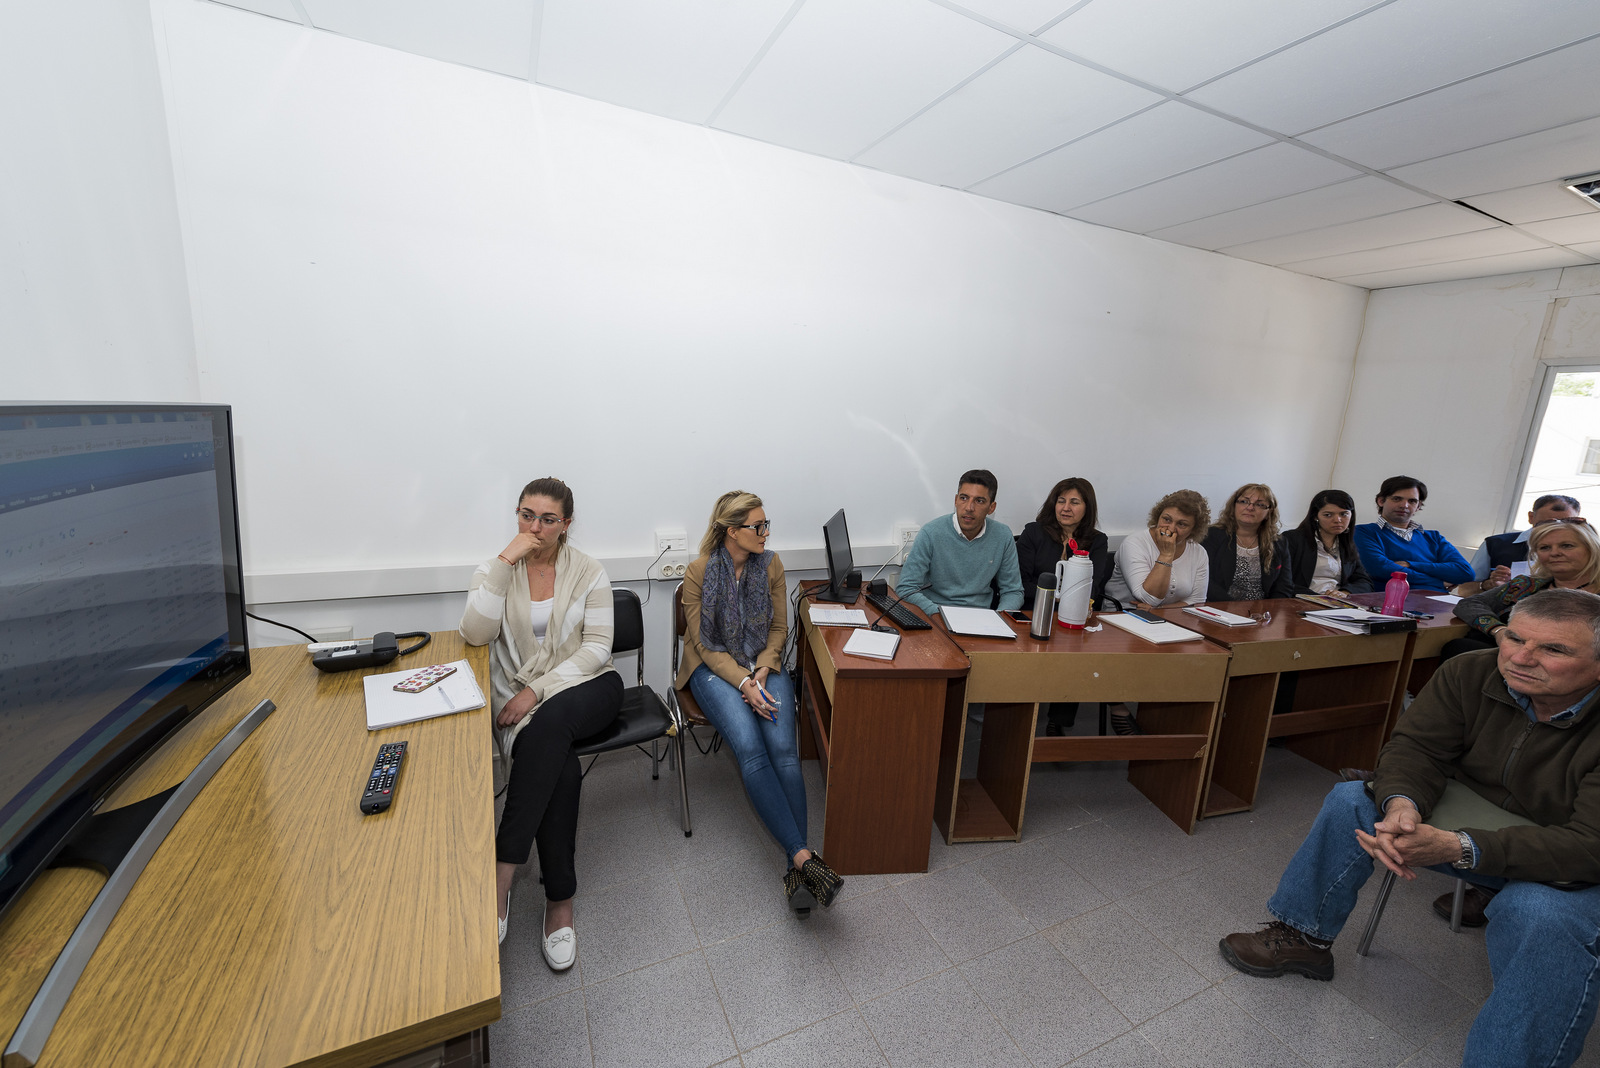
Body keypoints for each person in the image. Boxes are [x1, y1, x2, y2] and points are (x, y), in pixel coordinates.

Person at [1219, 589, 1600, 1068]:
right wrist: (1402, 802)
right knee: (1351, 802)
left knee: (1541, 913)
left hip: (1570, 854)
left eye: (1554, 649)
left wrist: (1457, 846)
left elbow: (1591, 845)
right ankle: (1305, 937)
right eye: (1515, 638)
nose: (1521, 658)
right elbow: (1415, 749)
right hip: (1482, 812)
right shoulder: (1471, 670)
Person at [460, 477, 622, 971]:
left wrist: (537, 689)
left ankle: (500, 877)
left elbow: (598, 648)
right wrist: (505, 562)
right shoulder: (495, 569)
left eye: (548, 519)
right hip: (523, 702)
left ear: (566, 524)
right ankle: (559, 903)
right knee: (562, 768)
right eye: (526, 515)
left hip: (590, 686)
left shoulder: (589, 571)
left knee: (549, 722)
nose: (535, 526)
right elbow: (473, 633)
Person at [675, 491, 842, 912]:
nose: (766, 533)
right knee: (751, 749)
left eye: (767, 525)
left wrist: (764, 668)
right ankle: (804, 858)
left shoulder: (772, 564)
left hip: (763, 665)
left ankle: (797, 862)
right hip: (713, 670)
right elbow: (703, 644)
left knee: (785, 750)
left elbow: (780, 628)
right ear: (732, 531)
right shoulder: (698, 573)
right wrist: (744, 683)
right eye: (758, 526)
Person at [1016, 477, 1111, 735]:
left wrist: (1069, 601)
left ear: (1087, 508)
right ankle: (1017, 713)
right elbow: (1020, 582)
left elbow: (1094, 585)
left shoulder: (1097, 541)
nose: (1066, 508)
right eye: (1061, 501)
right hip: (1032, 609)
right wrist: (1055, 596)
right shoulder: (1033, 532)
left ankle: (1058, 720)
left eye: (1074, 502)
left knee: (1075, 653)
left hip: (1074, 615)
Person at [1447, 519, 1600, 659]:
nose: (1554, 553)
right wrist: (1499, 631)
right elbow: (1468, 604)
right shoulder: (1526, 585)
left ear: (1592, 548)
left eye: (1567, 545)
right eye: (1545, 547)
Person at [896, 469, 1023, 617]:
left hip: (981, 619)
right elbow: (906, 588)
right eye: (964, 498)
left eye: (979, 501)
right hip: (936, 616)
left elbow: (1013, 591)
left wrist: (999, 619)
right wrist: (938, 615)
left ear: (991, 507)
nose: (969, 507)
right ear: (956, 500)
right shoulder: (931, 533)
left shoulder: (1003, 536)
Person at [1352, 475, 1473, 594]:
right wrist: (1439, 582)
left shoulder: (1434, 538)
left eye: (1412, 501)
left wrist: (1410, 565)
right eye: (1397, 499)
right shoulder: (1363, 532)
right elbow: (1380, 568)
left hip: (1439, 604)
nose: (1404, 505)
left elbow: (1466, 572)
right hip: (1389, 603)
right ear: (1381, 501)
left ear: (1418, 506)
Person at [1105, 489, 1211, 610]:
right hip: (1123, 614)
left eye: (1181, 524)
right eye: (1166, 519)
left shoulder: (1198, 552)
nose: (1171, 529)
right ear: (1158, 517)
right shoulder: (1134, 543)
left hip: (1171, 618)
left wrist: (1159, 611)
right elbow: (1148, 598)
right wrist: (1166, 554)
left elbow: (1196, 601)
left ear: (1193, 529)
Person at [1200, 483, 1294, 602]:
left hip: (1262, 613)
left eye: (1259, 504)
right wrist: (1234, 608)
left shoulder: (1278, 542)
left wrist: (1269, 611)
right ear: (1233, 506)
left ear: (1269, 512)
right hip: (1220, 608)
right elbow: (1206, 581)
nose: (1250, 508)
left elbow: (1284, 587)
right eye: (1244, 502)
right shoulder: (1211, 536)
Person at [1472, 494, 1582, 589]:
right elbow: (1466, 589)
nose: (1554, 529)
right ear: (1531, 517)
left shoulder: (1584, 550)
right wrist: (1489, 585)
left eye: (1565, 524)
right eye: (1546, 524)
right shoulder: (1495, 544)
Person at [1282, 489, 1374, 595]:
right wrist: (1319, 598)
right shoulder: (1292, 539)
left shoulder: (1346, 544)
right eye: (1328, 515)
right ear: (1316, 516)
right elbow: (1282, 582)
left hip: (1338, 603)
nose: (1337, 520)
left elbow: (1365, 582)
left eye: (1344, 514)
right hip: (1303, 602)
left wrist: (1344, 592)